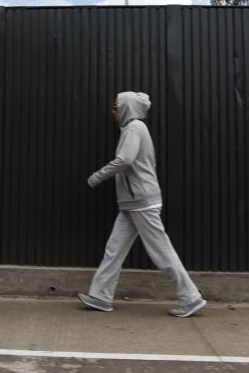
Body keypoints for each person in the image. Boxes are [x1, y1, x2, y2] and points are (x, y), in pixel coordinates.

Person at [77, 91, 206, 318]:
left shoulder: (134, 128)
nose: (113, 111)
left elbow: (124, 160)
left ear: (127, 108)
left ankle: (190, 298)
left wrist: (97, 176)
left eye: (116, 107)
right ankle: (100, 296)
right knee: (113, 250)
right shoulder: (131, 129)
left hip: (142, 203)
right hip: (131, 203)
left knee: (161, 251)